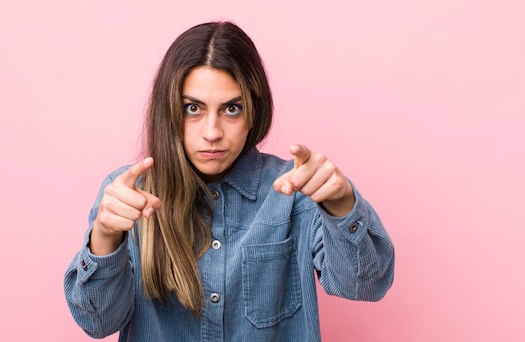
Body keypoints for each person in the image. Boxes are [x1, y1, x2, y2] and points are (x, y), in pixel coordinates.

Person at [64, 21, 395, 341]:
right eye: (193, 108)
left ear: (254, 108)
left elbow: (364, 285)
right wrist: (105, 238)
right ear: (169, 111)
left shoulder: (296, 190)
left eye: (231, 109)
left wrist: (341, 205)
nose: (212, 133)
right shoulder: (128, 196)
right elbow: (96, 322)